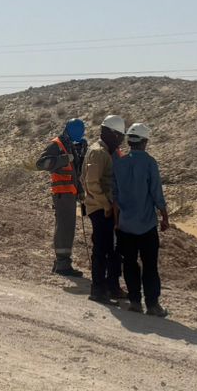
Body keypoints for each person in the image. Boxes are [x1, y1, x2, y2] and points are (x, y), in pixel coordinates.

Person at [111, 122, 169, 316]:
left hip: (125, 225)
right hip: (146, 225)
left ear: (130, 141)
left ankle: (135, 301)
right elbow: (156, 193)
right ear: (144, 141)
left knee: (129, 263)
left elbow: (115, 196)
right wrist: (165, 217)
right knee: (150, 265)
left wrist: (117, 222)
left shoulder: (119, 163)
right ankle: (152, 304)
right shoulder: (150, 163)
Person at [82, 115, 126, 304]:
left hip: (107, 207)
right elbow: (92, 183)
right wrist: (107, 206)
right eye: (119, 136)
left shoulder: (106, 152)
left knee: (112, 250)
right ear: (111, 133)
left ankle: (112, 287)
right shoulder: (98, 153)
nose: (120, 140)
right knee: (101, 249)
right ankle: (98, 290)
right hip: (100, 208)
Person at [36, 118, 87, 277]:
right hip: (61, 193)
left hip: (70, 193)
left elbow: (75, 172)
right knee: (64, 228)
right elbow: (41, 164)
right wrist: (63, 159)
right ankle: (62, 265)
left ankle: (61, 263)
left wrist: (80, 190)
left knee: (68, 228)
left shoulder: (74, 146)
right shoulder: (57, 144)